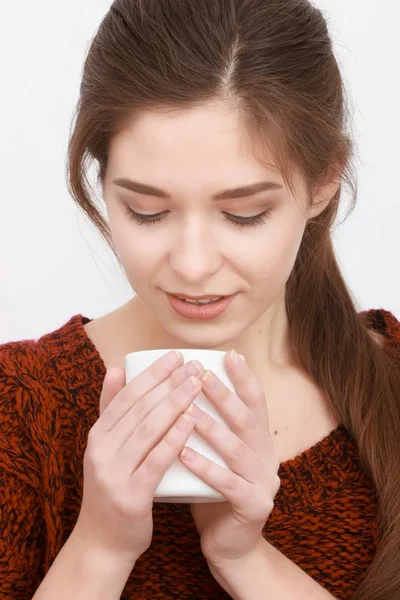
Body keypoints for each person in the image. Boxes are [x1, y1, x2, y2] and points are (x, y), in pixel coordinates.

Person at [1, 0, 399, 599]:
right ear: (102, 179)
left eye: (244, 214)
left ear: (324, 182)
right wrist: (99, 546)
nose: (192, 265)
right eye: (146, 211)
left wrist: (245, 558)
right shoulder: (20, 408)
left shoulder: (389, 383)